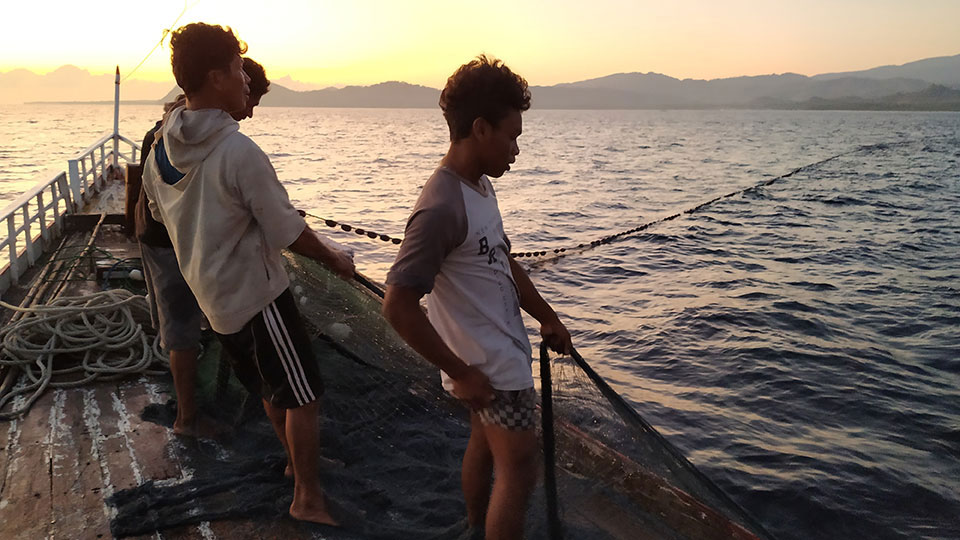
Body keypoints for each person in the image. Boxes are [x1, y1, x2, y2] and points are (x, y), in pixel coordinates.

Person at [140, 22, 353, 526]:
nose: (245, 80)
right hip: (258, 297)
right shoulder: (240, 153)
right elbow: (287, 232)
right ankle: (308, 498)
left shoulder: (159, 152)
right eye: (238, 69)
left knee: (267, 386)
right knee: (303, 392)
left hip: (213, 300)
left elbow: (157, 210)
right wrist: (336, 259)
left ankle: (293, 465)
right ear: (216, 77)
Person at [382, 55, 572, 539]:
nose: (516, 150)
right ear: (481, 129)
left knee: (484, 446)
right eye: (512, 137)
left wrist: (545, 316)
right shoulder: (441, 207)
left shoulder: (479, 187)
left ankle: (473, 527)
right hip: (490, 367)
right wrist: (462, 371)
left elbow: (501, 260)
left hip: (495, 356)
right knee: (520, 468)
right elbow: (398, 303)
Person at [135, 56, 272, 438]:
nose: (250, 112)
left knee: (196, 322)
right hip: (166, 244)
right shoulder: (166, 138)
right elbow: (165, 205)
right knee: (181, 328)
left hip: (179, 238)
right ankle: (186, 420)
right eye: (251, 99)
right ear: (223, 87)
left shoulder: (188, 134)